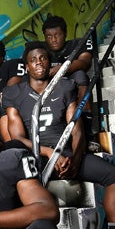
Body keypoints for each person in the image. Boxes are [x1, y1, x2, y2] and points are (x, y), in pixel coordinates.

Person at [3, 41, 115, 229]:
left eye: (43, 58)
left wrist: (76, 157)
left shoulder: (64, 86)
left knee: (114, 175)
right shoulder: (15, 94)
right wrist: (49, 153)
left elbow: (75, 127)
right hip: (38, 157)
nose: (39, 63)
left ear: (50, 63)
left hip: (66, 155)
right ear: (26, 67)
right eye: (34, 60)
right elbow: (17, 138)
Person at [42, 15, 97, 143]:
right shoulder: (40, 51)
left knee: (81, 75)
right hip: (51, 91)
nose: (54, 40)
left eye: (57, 35)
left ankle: (86, 120)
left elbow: (85, 62)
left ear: (65, 34)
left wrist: (62, 69)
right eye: (49, 36)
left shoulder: (77, 44)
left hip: (72, 85)